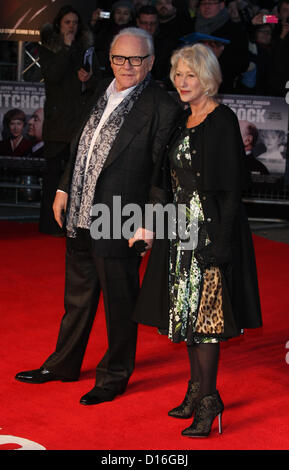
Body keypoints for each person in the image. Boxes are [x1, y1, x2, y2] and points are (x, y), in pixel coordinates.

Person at [15, 27, 181, 406]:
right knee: (77, 298)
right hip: (80, 211)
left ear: (151, 62)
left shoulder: (161, 106)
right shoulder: (99, 91)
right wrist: (62, 188)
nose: (127, 65)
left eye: (137, 59)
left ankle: (114, 375)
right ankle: (62, 364)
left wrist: (151, 222)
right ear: (110, 58)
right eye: (120, 58)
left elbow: (162, 172)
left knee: (120, 302)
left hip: (121, 217)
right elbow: (80, 146)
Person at [130, 43, 262, 437]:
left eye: (191, 75)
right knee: (186, 316)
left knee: (205, 320)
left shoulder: (221, 120)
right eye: (178, 74)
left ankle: (209, 401)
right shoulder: (179, 120)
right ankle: (196, 390)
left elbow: (231, 190)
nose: (183, 82)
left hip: (209, 233)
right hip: (178, 232)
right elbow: (163, 182)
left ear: (208, 79)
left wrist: (220, 247)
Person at [38, 5, 101, 236]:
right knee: (53, 175)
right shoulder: (49, 48)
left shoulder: (87, 48)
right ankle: (49, 225)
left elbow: (99, 83)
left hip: (79, 122)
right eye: (67, 22)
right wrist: (65, 47)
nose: (71, 26)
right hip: (57, 122)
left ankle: (73, 225)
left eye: (75, 22)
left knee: (77, 177)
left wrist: (90, 78)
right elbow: (52, 76)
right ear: (59, 25)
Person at [194, 0, 249, 93]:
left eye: (210, 3)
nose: (206, 7)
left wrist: (215, 59)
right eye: (203, 3)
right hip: (192, 87)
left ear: (222, 5)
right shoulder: (189, 26)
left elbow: (242, 64)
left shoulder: (235, 30)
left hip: (222, 91)